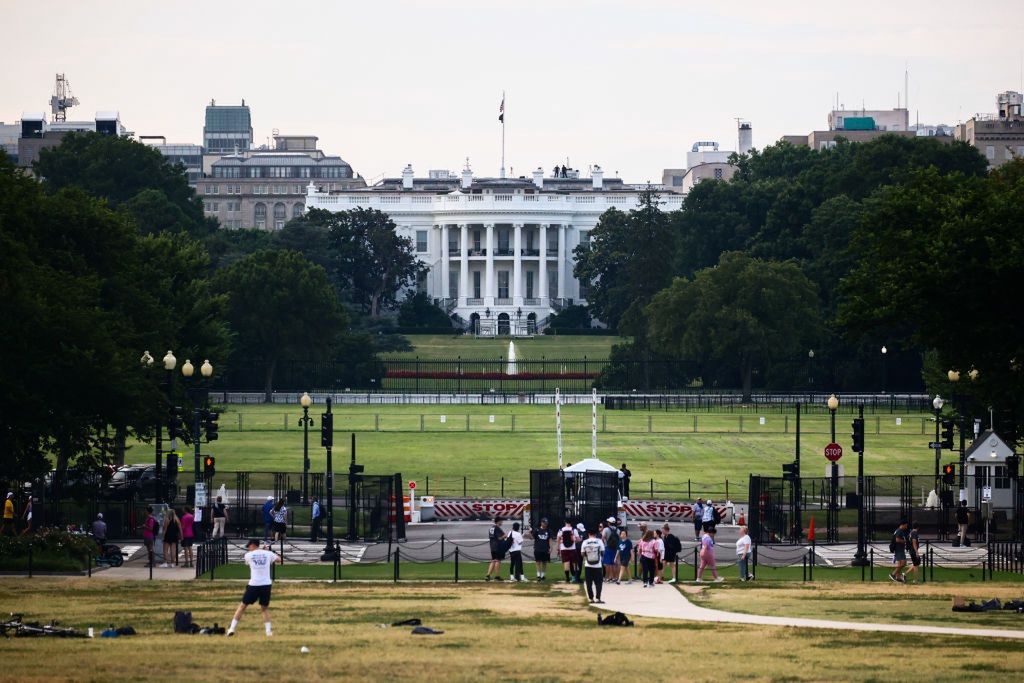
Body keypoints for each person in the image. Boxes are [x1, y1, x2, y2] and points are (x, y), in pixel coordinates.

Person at [227, 539, 282, 637]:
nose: (248, 548)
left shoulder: (248, 555)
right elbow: (279, 560)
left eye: (249, 546)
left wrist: (263, 550)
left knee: (242, 606)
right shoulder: (268, 553)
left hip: (254, 584)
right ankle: (268, 632)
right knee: (264, 608)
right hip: (266, 584)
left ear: (253, 545)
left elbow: (249, 560)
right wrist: (269, 551)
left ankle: (232, 628)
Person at [580, 528, 605, 604]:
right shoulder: (599, 541)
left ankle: (591, 598)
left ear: (588, 534)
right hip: (598, 565)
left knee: (589, 583)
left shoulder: (585, 542)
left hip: (588, 565)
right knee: (598, 583)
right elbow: (603, 552)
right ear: (596, 534)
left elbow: (582, 553)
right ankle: (598, 598)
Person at [486, 517, 506, 581]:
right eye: (501, 521)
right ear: (498, 521)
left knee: (493, 560)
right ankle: (497, 576)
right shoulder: (497, 528)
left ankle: (488, 575)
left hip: (492, 546)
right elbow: (499, 538)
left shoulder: (491, 528)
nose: (502, 522)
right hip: (498, 546)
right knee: (498, 561)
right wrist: (504, 536)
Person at [602, 516, 619, 582]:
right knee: (614, 563)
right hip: (615, 548)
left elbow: (603, 538)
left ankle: (609, 577)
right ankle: (615, 577)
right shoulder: (618, 530)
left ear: (609, 523)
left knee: (607, 563)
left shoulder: (606, 529)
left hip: (608, 547)